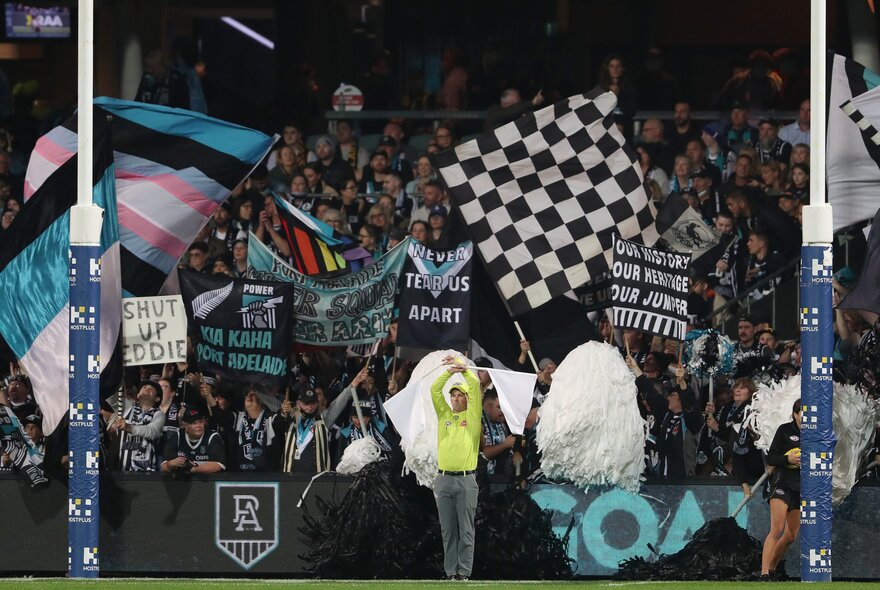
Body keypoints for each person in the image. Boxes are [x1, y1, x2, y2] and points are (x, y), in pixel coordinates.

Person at [431, 356, 482, 581]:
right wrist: (450, 373)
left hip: (466, 480)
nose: (455, 398)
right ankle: (451, 573)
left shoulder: (472, 417)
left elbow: (474, 385)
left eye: (460, 395)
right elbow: (435, 390)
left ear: (467, 399)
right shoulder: (445, 415)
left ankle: (464, 573)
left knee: (466, 530)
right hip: (443, 479)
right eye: (453, 395)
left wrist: (465, 369)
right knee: (448, 530)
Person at [761, 399, 802, 579]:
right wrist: (788, 460)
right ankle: (763, 574)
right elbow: (771, 458)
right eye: (802, 413)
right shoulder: (785, 430)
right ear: (795, 414)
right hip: (782, 484)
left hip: (801, 488)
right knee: (776, 529)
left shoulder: (815, 434)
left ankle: (772, 568)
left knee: (791, 536)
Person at [161, 406, 226, 475]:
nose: (198, 426)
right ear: (185, 425)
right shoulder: (177, 436)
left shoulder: (213, 437)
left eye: (200, 422)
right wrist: (172, 463)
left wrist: (192, 469)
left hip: (209, 482)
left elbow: (219, 465)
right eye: (194, 423)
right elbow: (164, 466)